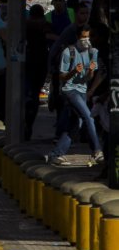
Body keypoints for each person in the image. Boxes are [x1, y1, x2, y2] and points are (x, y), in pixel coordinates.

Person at [45, 25, 103, 166]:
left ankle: (56, 153)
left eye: (88, 37)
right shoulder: (68, 52)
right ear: (78, 37)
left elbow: (89, 77)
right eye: (83, 37)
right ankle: (97, 150)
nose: (86, 40)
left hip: (82, 90)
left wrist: (89, 71)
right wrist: (74, 72)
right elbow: (62, 76)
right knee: (88, 117)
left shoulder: (92, 52)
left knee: (75, 126)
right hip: (69, 90)